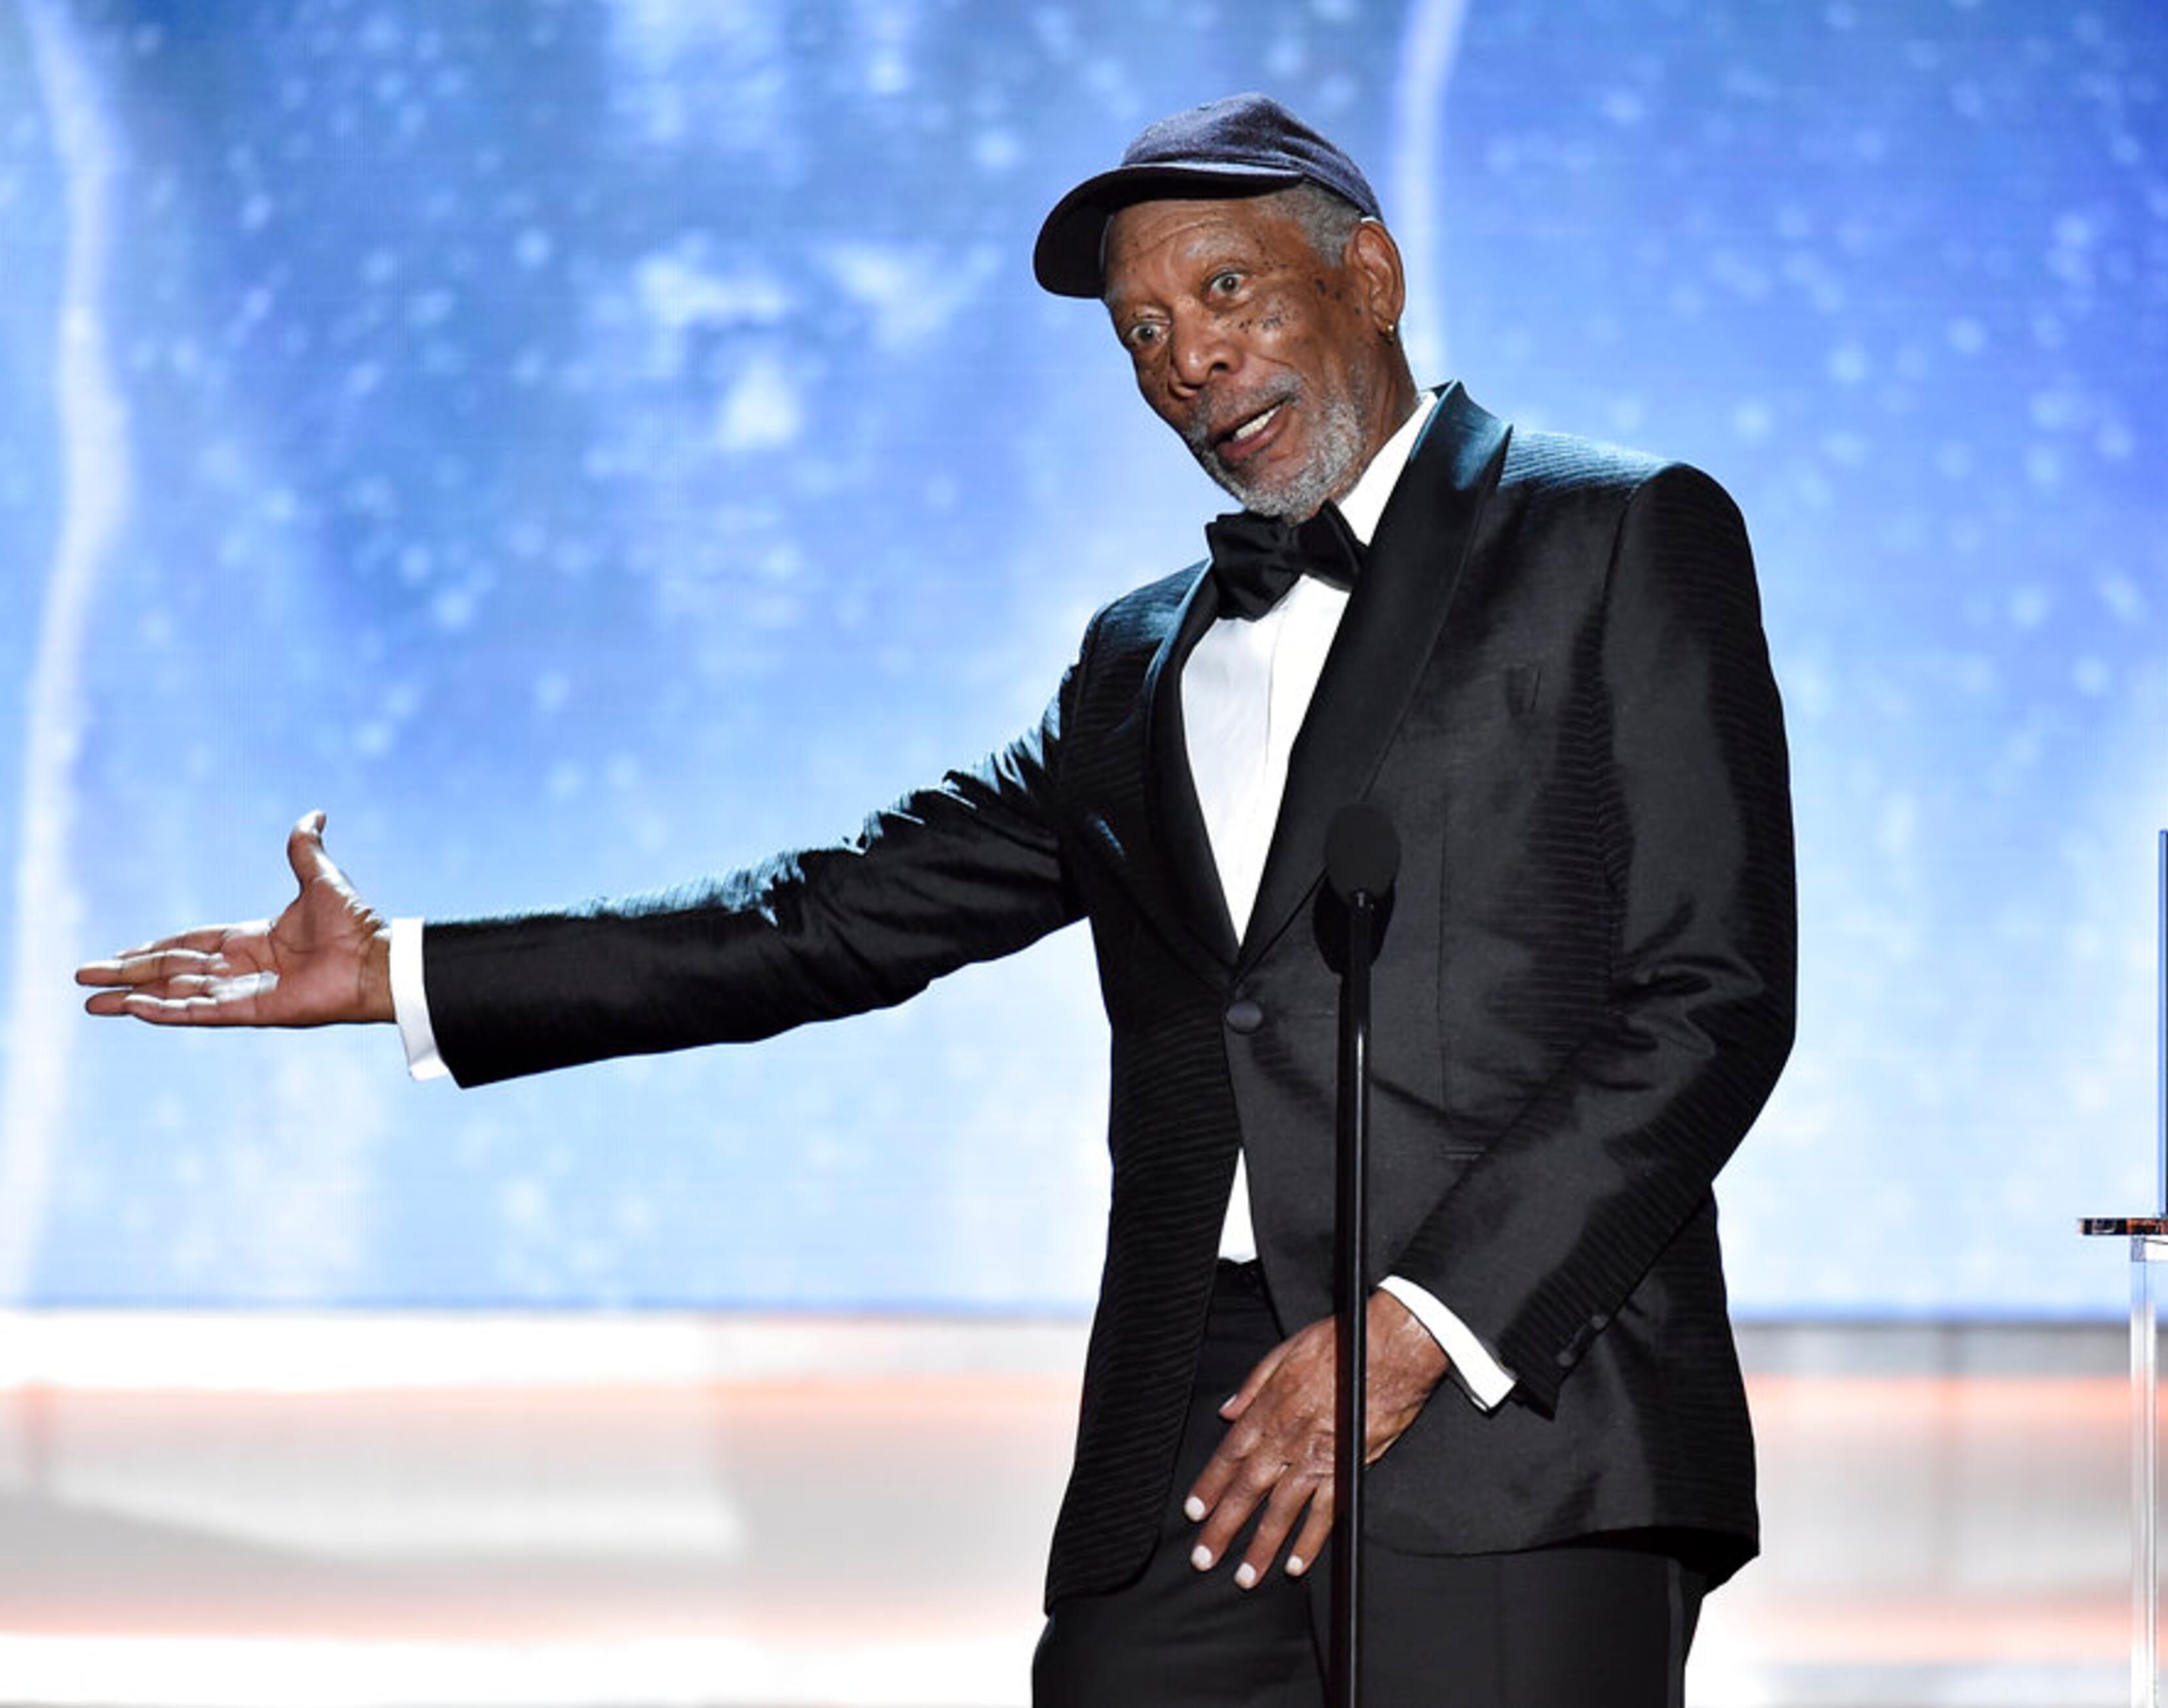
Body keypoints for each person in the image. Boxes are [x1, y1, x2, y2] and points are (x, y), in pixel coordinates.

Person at [78, 93, 1796, 1707]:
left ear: (1370, 274)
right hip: (1189, 1420)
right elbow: (831, 916)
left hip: (1509, 1402)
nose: (1188, 356)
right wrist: (413, 974)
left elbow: (1711, 993)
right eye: (1140, 335)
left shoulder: (1614, 535)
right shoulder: (1140, 660)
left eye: (1224, 290)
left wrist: (1424, 1329)